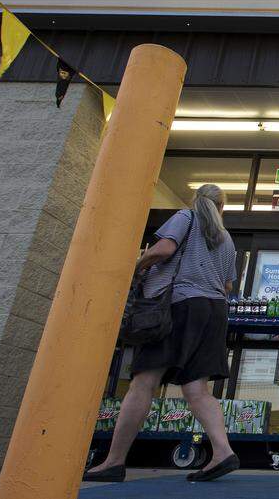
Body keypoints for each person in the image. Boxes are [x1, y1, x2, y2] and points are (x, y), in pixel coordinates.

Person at [84, 184, 240, 483]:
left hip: (178, 307)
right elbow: (228, 286)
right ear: (221, 207)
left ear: (196, 200)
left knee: (144, 381)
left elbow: (165, 249)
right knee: (197, 388)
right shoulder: (227, 239)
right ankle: (222, 451)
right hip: (214, 311)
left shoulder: (186, 217)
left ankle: (114, 462)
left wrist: (137, 267)